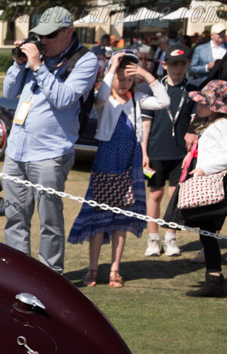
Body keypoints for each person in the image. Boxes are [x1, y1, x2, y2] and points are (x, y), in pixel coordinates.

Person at [1, 6, 99, 274]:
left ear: (69, 32)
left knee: (50, 221)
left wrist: (37, 67)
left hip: (49, 153)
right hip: (17, 150)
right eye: (40, 35)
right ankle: (18, 276)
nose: (43, 41)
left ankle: (50, 277)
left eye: (50, 35)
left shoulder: (85, 60)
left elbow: (64, 99)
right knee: (15, 218)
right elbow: (9, 92)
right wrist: (19, 63)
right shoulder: (38, 58)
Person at [69, 51, 169, 288]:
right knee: (98, 216)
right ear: (112, 76)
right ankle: (92, 269)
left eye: (129, 80)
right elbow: (102, 94)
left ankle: (115, 269)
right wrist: (111, 68)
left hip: (130, 161)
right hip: (106, 160)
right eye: (120, 79)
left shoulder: (137, 99)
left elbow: (164, 102)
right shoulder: (104, 100)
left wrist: (146, 74)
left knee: (122, 219)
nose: (124, 84)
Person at [168, 80, 227, 297]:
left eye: (204, 103)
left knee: (208, 231)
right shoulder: (211, 124)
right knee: (207, 233)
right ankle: (214, 279)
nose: (198, 106)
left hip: (216, 184)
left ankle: (214, 279)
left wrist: (204, 168)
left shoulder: (221, 125)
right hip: (213, 184)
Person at [141, 45, 196, 257]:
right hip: (155, 151)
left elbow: (194, 125)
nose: (178, 68)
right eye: (173, 64)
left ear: (188, 65)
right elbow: (146, 125)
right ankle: (153, 239)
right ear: (164, 65)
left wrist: (190, 154)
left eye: (182, 63)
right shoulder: (153, 89)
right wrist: (144, 153)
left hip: (180, 154)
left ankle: (170, 237)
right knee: (155, 194)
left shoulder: (192, 91)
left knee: (175, 197)